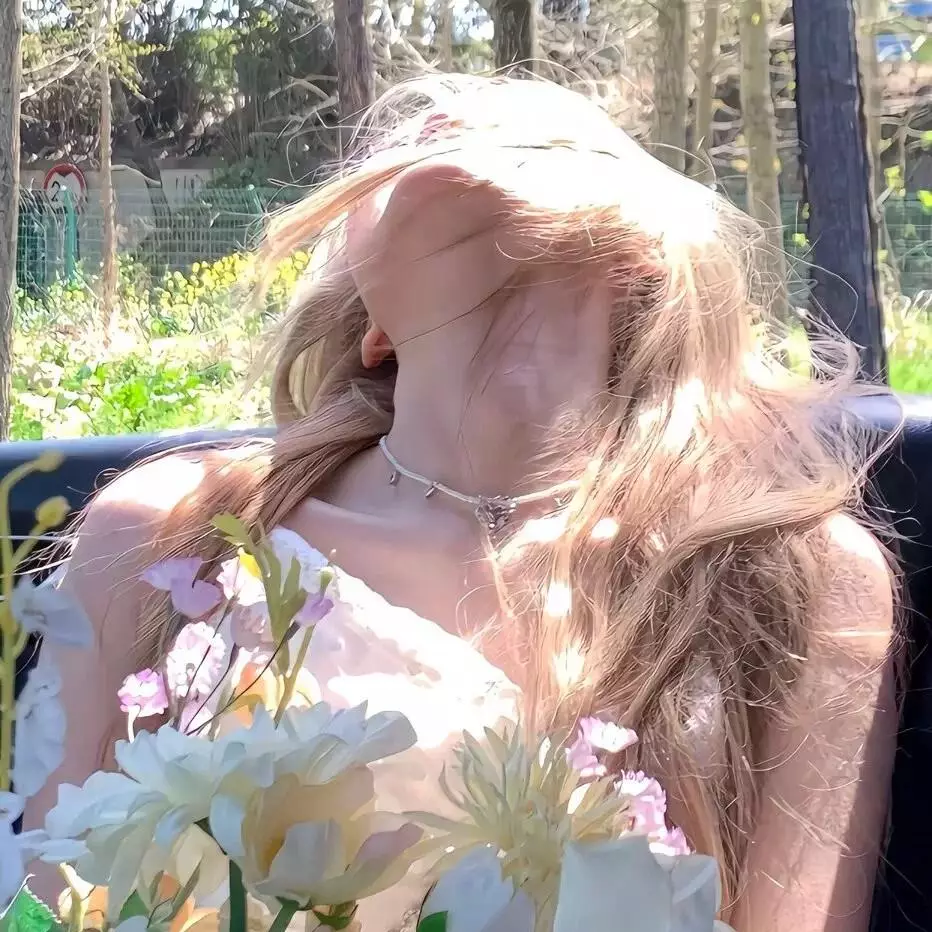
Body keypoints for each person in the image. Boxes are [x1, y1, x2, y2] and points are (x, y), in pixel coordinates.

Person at [25, 74, 898, 931]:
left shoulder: (798, 574)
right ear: (374, 325)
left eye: (529, 127)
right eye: (409, 145)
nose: (453, 120)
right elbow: (48, 897)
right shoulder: (171, 527)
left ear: (642, 256)